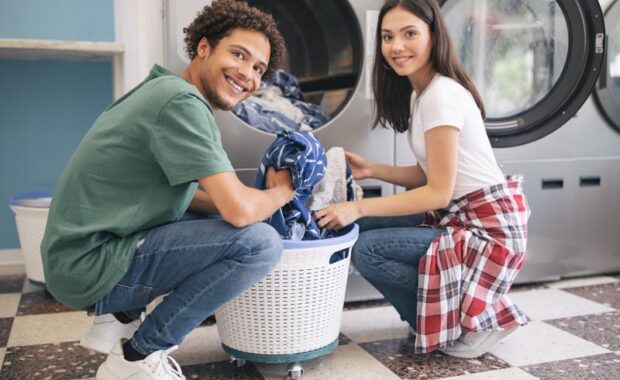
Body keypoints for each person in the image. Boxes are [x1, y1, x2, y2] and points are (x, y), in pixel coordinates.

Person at [40, 1, 292, 379]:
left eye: (258, 69)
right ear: (203, 47)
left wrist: (240, 202)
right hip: (87, 265)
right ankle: (137, 356)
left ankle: (120, 316)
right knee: (260, 243)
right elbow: (239, 211)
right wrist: (280, 193)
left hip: (74, 256)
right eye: (238, 55)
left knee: (203, 211)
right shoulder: (181, 102)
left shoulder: (163, 88)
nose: (247, 75)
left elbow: (185, 198)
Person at [314, 0, 531, 358]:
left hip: (485, 230)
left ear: (434, 37)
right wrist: (373, 169)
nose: (396, 46)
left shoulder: (441, 96)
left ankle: (470, 319)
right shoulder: (423, 93)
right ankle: (444, 314)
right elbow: (434, 173)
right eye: (387, 36)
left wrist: (356, 206)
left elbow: (438, 192)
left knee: (370, 249)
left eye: (409, 33)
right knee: (365, 225)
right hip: (462, 216)